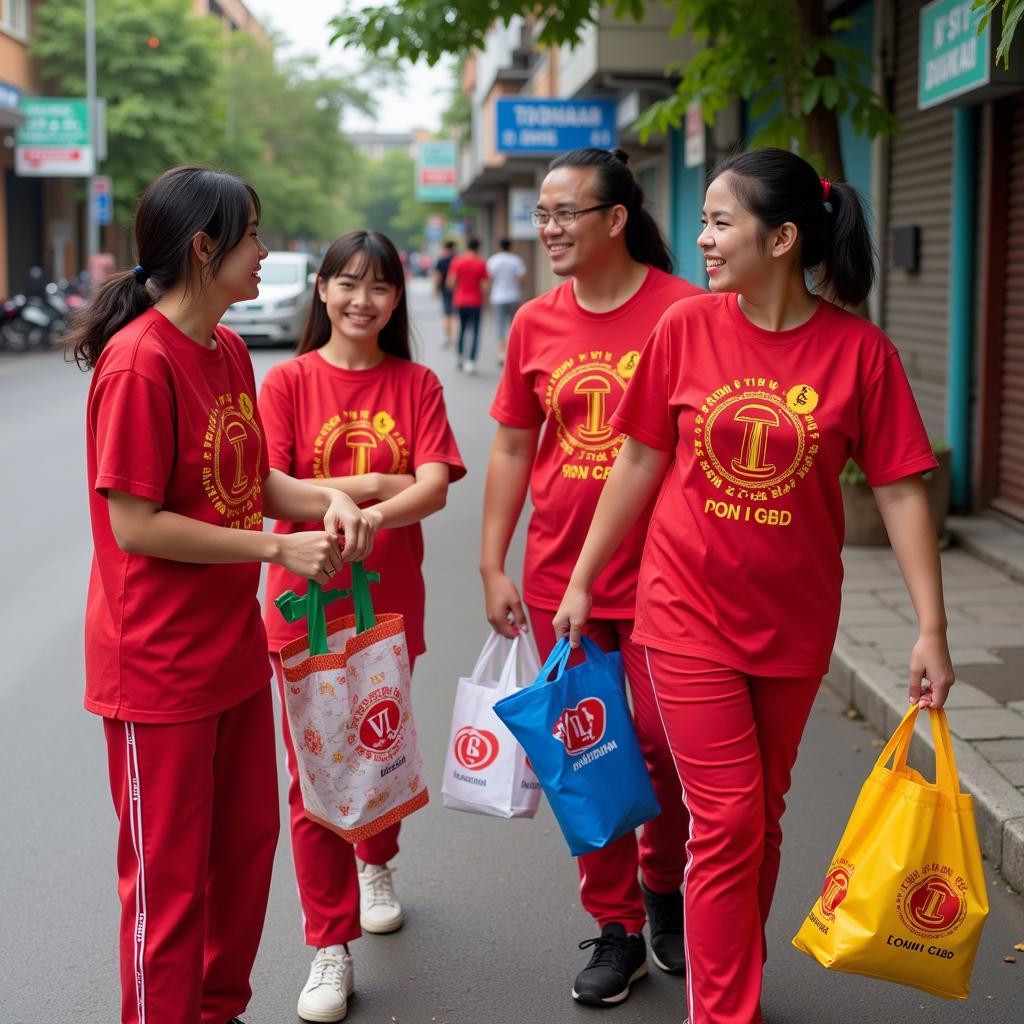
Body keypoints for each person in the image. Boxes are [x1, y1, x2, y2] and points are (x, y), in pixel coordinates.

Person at [553, 147, 956, 1024]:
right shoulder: (686, 330)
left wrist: (931, 626)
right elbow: (638, 459)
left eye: (719, 221)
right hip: (684, 611)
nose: (700, 239)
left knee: (760, 820)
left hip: (795, 624)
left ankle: (729, 965)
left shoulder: (861, 353)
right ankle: (723, 1009)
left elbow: (898, 488)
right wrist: (584, 579)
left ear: (780, 238)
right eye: (701, 221)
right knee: (728, 819)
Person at [71, 165, 376, 1024]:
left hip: (231, 653)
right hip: (156, 665)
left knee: (243, 851)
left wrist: (330, 497)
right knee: (169, 882)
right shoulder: (139, 365)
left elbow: (244, 475)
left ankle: (215, 1010)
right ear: (205, 249)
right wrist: (280, 545)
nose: (266, 252)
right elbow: (137, 525)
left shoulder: (229, 349)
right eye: (252, 236)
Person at [481, 147, 702, 1008]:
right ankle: (615, 927)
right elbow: (510, 442)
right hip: (558, 575)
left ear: (615, 219)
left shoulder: (686, 311)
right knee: (588, 753)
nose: (548, 228)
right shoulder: (536, 321)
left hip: (671, 576)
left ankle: (663, 884)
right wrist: (490, 560)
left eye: (564, 212)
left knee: (665, 752)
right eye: (542, 213)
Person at [258, 229, 466, 1024]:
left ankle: (376, 861)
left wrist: (368, 504)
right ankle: (328, 944)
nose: (361, 300)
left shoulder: (415, 383)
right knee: (313, 778)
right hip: (302, 610)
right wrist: (370, 482)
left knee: (376, 749)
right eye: (346, 283)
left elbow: (437, 483)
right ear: (320, 289)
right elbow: (272, 490)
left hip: (386, 608)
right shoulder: (285, 383)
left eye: (378, 287)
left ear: (396, 299)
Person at [446, 237, 489, 375]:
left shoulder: (457, 262)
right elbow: (485, 285)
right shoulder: (481, 263)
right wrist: (485, 302)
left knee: (462, 329)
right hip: (476, 301)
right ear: (478, 248)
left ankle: (460, 356)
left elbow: (450, 283)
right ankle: (471, 361)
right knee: (475, 331)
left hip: (460, 301)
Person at [486, 237, 527, 365]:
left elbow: (489, 278)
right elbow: (521, 279)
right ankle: (513, 354)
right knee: (513, 326)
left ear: (499, 247)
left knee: (500, 326)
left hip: (497, 297)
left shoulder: (493, 261)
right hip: (513, 296)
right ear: (510, 246)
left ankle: (501, 354)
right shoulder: (516, 260)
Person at [434, 239, 457, 347]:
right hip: (457, 290)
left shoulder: (441, 261)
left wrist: (436, 289)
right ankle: (454, 337)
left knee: (446, 314)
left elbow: (438, 276)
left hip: (445, 290)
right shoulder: (458, 260)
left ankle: (448, 338)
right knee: (454, 315)